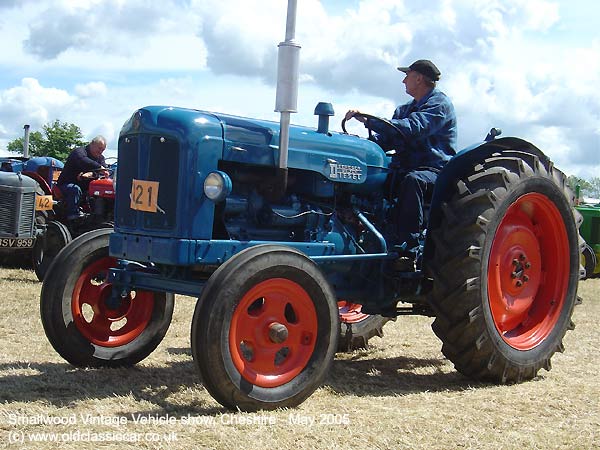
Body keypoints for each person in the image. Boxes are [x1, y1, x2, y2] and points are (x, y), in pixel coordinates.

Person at [345, 59, 457, 254]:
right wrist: (355, 147)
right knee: (370, 180)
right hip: (402, 169)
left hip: (433, 170)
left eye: (407, 76)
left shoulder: (439, 104)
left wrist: (369, 120)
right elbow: (388, 138)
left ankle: (409, 247)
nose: (403, 81)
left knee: (413, 181)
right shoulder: (403, 110)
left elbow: (413, 129)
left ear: (419, 78)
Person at [57, 135, 109, 220]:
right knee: (74, 189)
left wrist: (91, 174)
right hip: (67, 184)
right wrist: (99, 167)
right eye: (99, 148)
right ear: (92, 144)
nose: (101, 152)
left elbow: (103, 171)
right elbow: (83, 161)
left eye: (103, 150)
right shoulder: (79, 152)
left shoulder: (100, 158)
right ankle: (73, 216)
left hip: (86, 188)